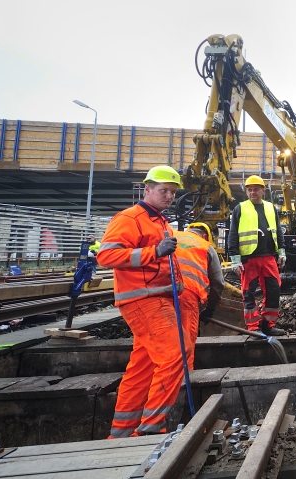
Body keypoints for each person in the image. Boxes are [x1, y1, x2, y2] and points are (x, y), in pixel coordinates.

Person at [98, 165, 191, 438]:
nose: (169, 196)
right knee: (177, 354)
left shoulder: (159, 221)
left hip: (156, 298)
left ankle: (121, 433)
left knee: (143, 368)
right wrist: (154, 251)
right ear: (147, 189)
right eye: (164, 191)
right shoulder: (130, 218)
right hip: (143, 299)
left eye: (173, 193)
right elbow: (106, 256)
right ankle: (151, 429)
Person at [227, 175, 286, 336]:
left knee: (273, 290)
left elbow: (278, 231)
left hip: (268, 257)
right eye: (249, 190)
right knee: (248, 293)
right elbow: (233, 234)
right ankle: (254, 327)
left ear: (263, 191)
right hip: (249, 258)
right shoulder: (240, 208)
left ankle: (268, 325)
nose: (253, 192)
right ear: (246, 191)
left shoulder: (270, 208)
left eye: (256, 189)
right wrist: (234, 258)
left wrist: (282, 251)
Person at [175, 222, 225, 364]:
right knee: (185, 344)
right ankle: (185, 382)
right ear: (204, 236)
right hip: (186, 294)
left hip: (158, 293)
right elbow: (218, 283)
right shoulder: (205, 246)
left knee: (160, 342)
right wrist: (210, 309)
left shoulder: (171, 236)